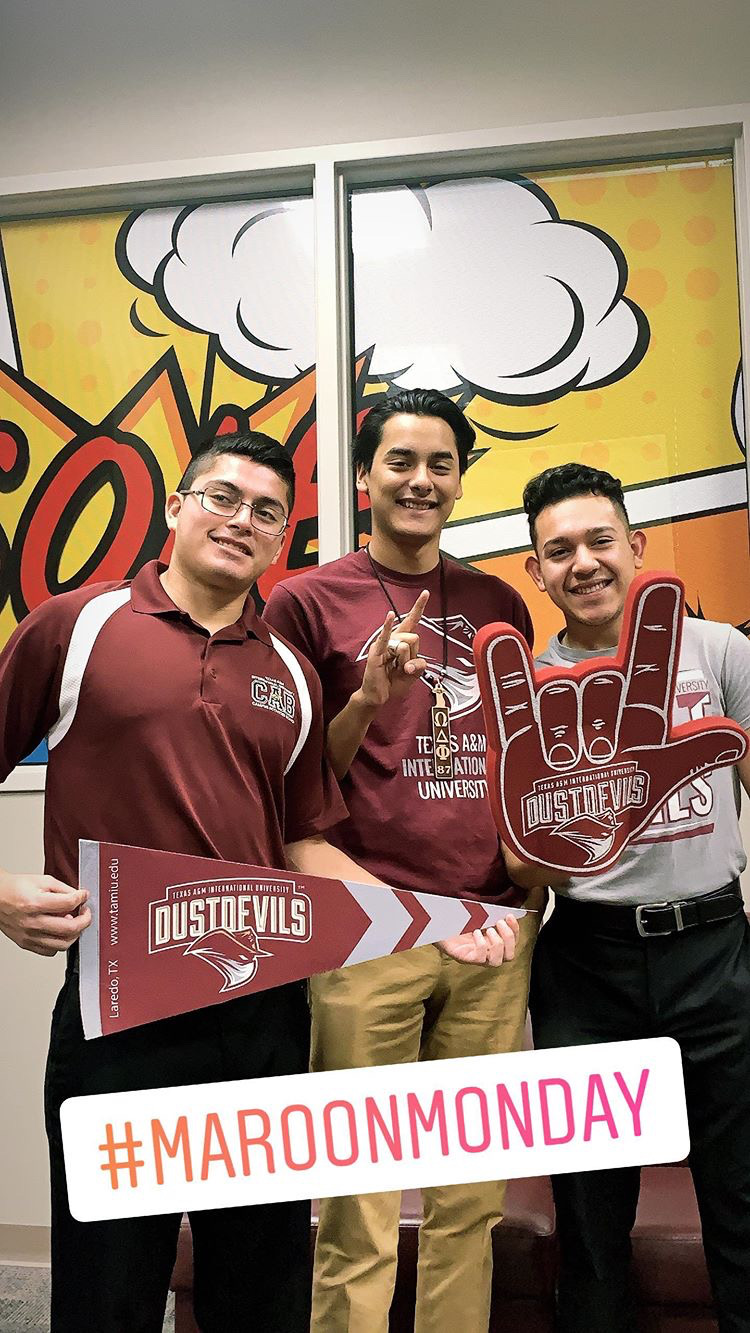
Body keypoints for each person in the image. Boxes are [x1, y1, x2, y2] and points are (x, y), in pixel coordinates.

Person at [0, 429, 517, 1333]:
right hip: (118, 1017)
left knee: (258, 1290)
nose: (242, 521)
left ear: (283, 538)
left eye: (267, 512)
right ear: (176, 506)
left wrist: (431, 920)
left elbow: (304, 842)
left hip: (262, 1014)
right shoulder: (75, 626)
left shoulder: (287, 670)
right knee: (109, 1288)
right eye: (223, 497)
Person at [263, 388, 545, 1333]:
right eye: (400, 461)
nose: (421, 480)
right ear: (363, 476)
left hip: (491, 930)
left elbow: (515, 762)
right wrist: (367, 693)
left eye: (440, 463)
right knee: (360, 1203)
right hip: (366, 930)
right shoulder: (304, 601)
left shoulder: (500, 601)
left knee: (472, 1203)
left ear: (461, 480)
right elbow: (298, 782)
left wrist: (532, 881)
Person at [521, 461, 750, 1333]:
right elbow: (521, 864)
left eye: (599, 539)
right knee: (590, 1219)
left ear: (637, 545)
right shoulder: (531, 692)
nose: (583, 562)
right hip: (589, 968)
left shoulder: (721, 650)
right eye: (559, 550)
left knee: (740, 1199)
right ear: (535, 572)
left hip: (716, 952)